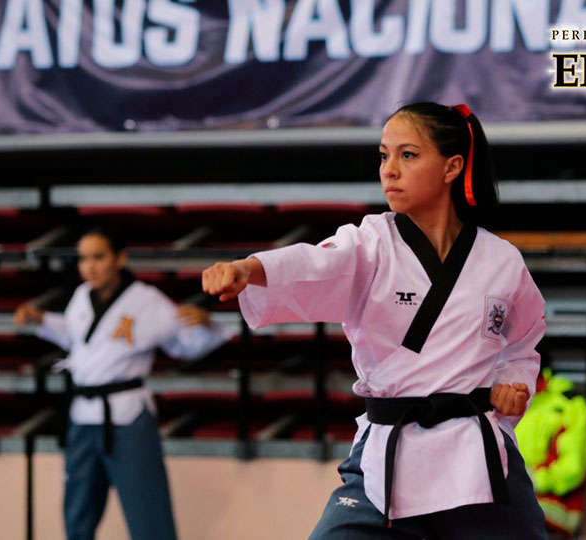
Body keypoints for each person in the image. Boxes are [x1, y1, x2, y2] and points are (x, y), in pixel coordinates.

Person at [203, 102, 548, 539]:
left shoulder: (501, 260)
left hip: (475, 453)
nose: (390, 170)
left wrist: (512, 384)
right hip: (391, 449)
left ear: (452, 167)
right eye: (384, 156)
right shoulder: (371, 243)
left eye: (408, 155)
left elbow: (522, 343)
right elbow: (315, 264)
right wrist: (250, 269)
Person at [14, 226, 233, 540]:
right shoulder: (81, 296)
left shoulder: (146, 301)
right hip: (82, 417)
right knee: (77, 515)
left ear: (120, 258)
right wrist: (42, 320)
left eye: (98, 257)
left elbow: (183, 345)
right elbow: (80, 342)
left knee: (147, 514)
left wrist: (206, 324)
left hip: (127, 417)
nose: (89, 266)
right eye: (83, 259)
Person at [514, 367, 586, 539]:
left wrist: (531, 479)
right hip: (512, 501)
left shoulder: (569, 404)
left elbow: (573, 469)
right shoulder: (496, 398)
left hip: (554, 508)